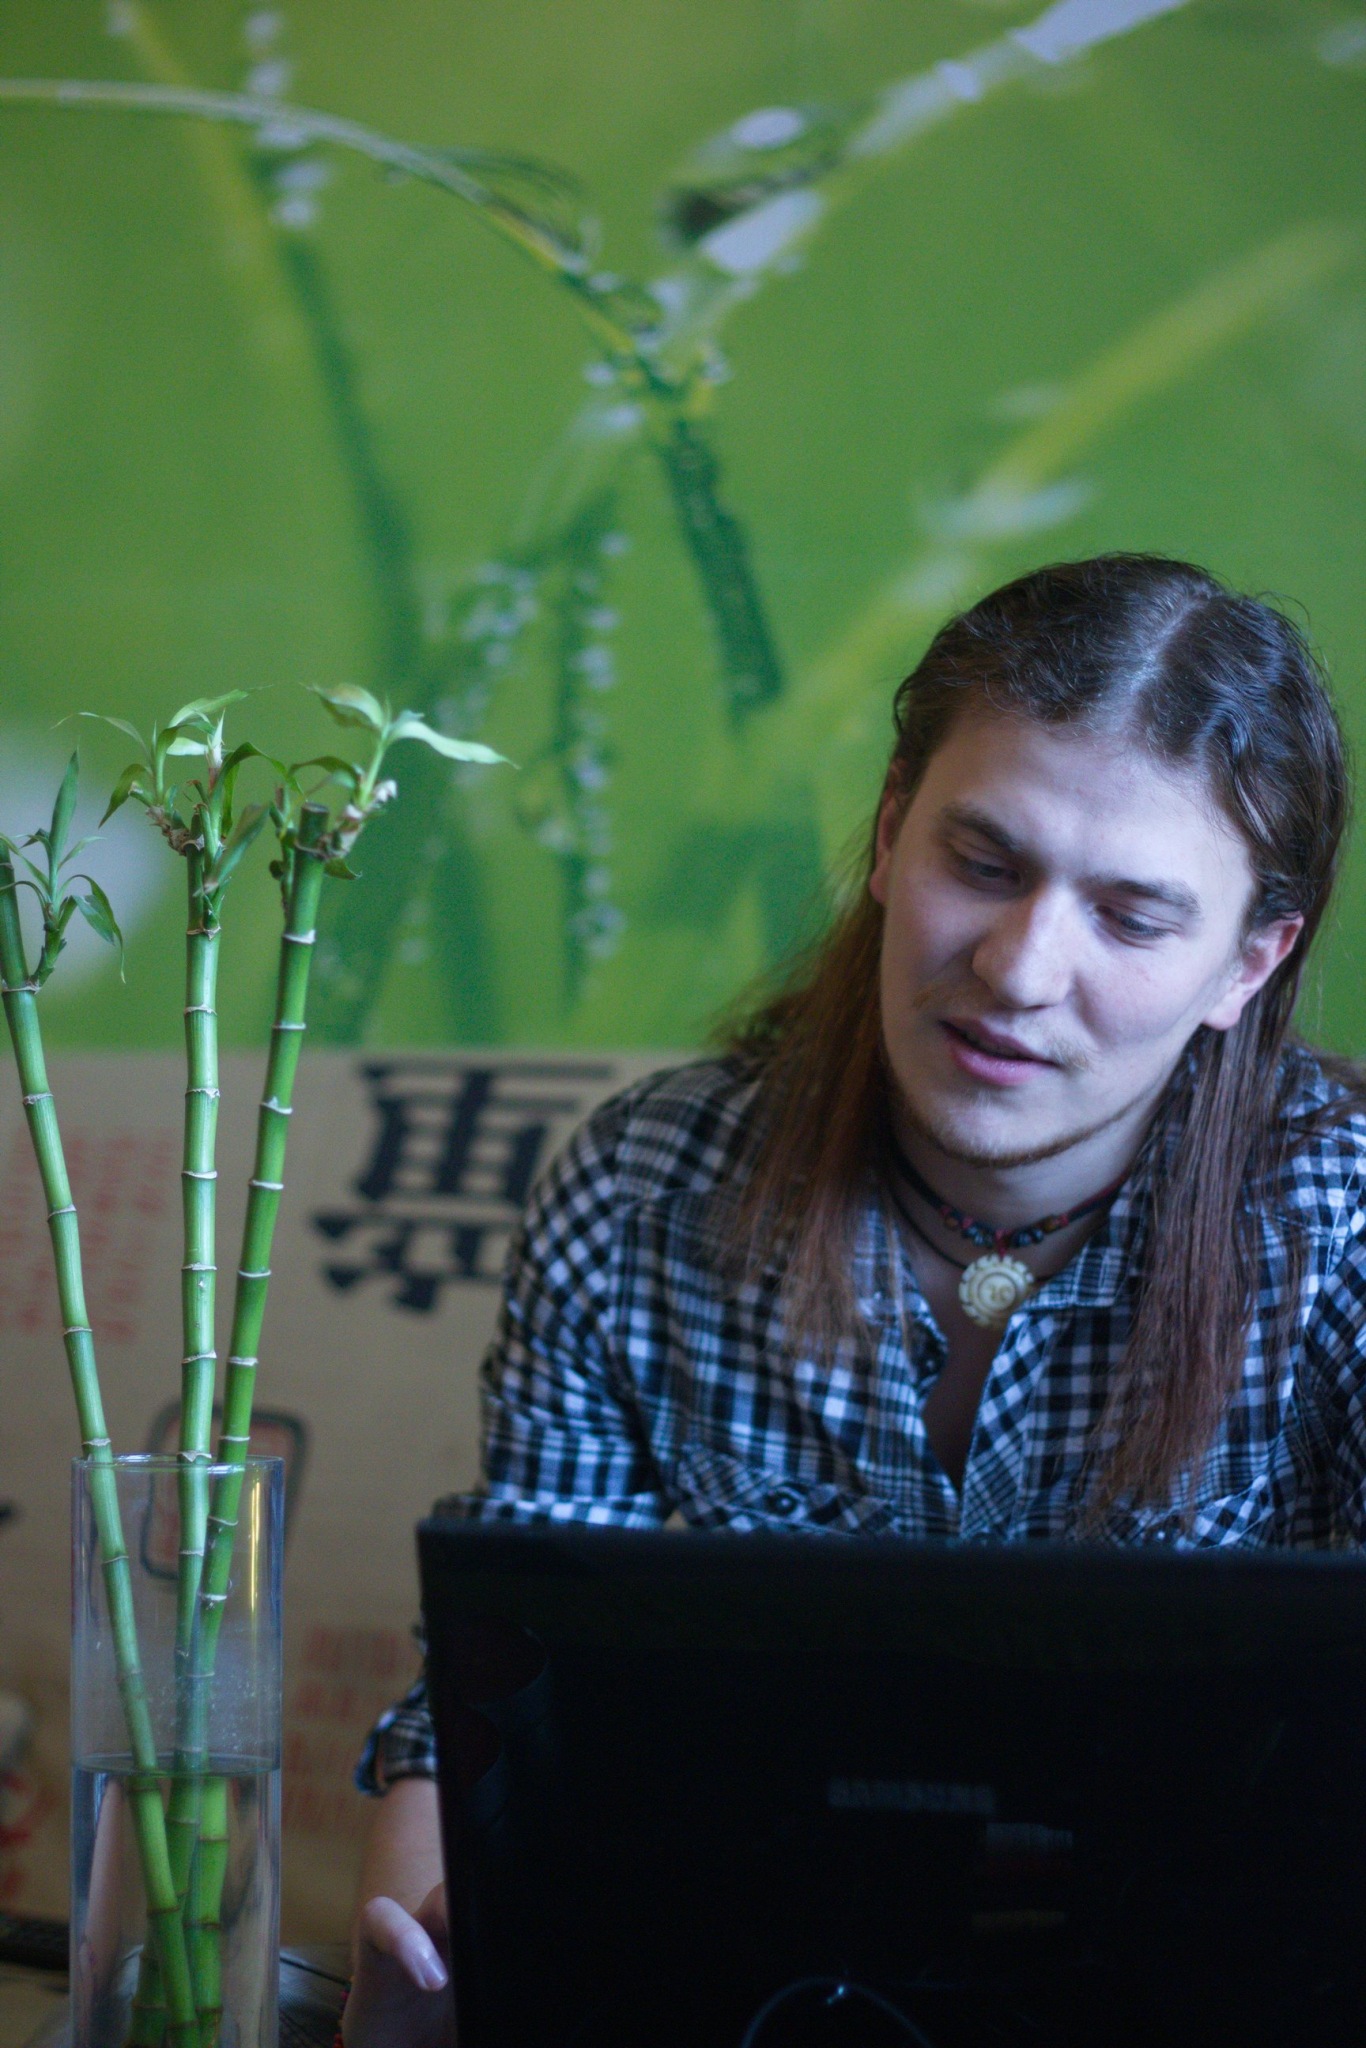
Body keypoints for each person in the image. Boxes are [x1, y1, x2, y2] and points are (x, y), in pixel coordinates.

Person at [342, 553, 1366, 2047]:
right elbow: (497, 1695)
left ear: (1247, 962)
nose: (1019, 969)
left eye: (1133, 918)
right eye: (984, 863)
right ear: (890, 835)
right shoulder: (645, 1190)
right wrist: (425, 1995)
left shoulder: (1338, 1225)